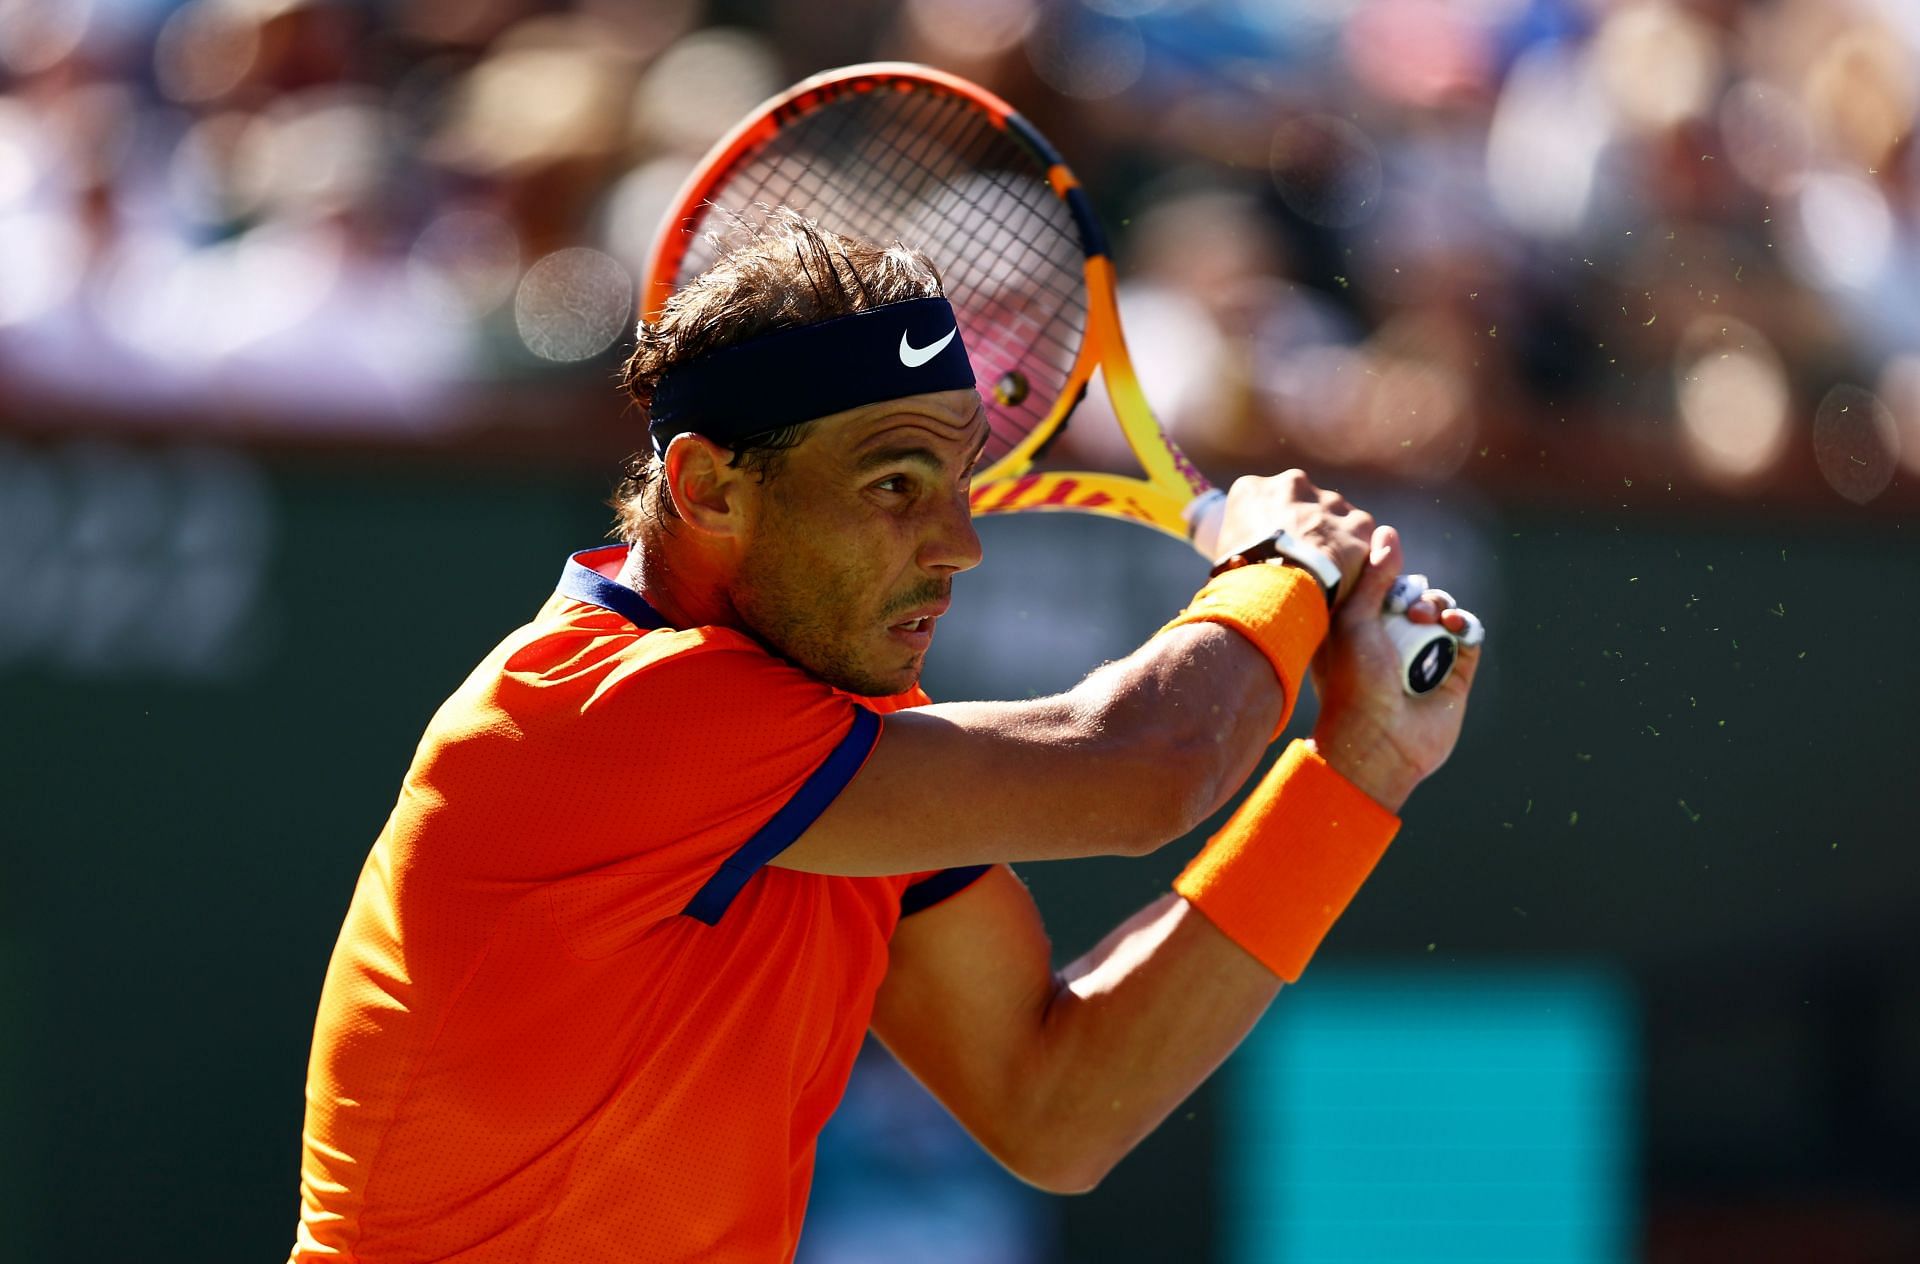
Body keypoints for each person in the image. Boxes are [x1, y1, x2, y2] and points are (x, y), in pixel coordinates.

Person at [288, 212, 1482, 1263]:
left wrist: (1358, 770)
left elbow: (1056, 1103)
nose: (960, 543)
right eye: (895, 484)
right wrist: (1285, 569)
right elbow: (1147, 764)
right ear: (706, 488)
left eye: (958, 481)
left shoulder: (848, 754)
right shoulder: (596, 715)